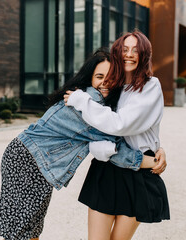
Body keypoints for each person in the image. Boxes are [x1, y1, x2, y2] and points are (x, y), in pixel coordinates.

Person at [0, 48, 165, 240]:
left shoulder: (97, 104)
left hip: (31, 157)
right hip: (26, 160)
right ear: (89, 78)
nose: (105, 82)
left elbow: (128, 128)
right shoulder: (89, 106)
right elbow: (116, 148)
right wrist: (150, 161)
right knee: (21, 226)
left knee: (32, 224)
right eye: (99, 76)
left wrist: (158, 146)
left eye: (111, 76)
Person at [64, 31, 170, 240]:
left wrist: (158, 147)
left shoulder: (150, 85)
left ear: (144, 55)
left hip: (137, 173)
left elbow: (121, 124)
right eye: (124, 49)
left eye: (136, 50)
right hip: (107, 172)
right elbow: (92, 133)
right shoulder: (112, 86)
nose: (129, 54)